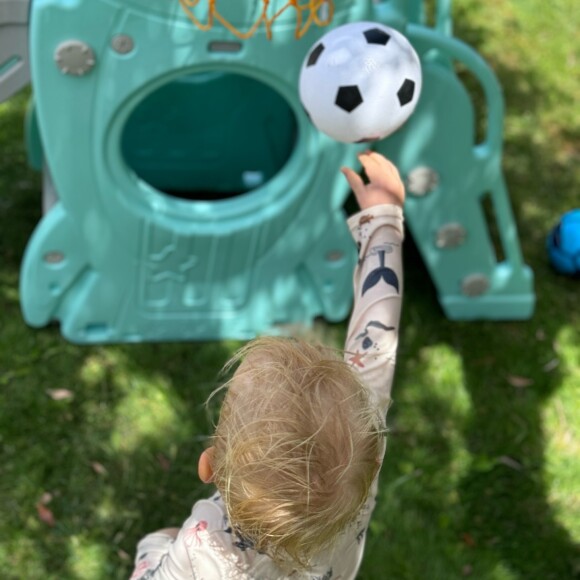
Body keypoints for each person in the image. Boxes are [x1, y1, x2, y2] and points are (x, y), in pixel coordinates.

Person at [130, 151, 405, 579]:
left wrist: (156, 555)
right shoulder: (361, 448)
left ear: (209, 466)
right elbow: (377, 337)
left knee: (154, 540)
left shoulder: (201, 544)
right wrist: (383, 222)